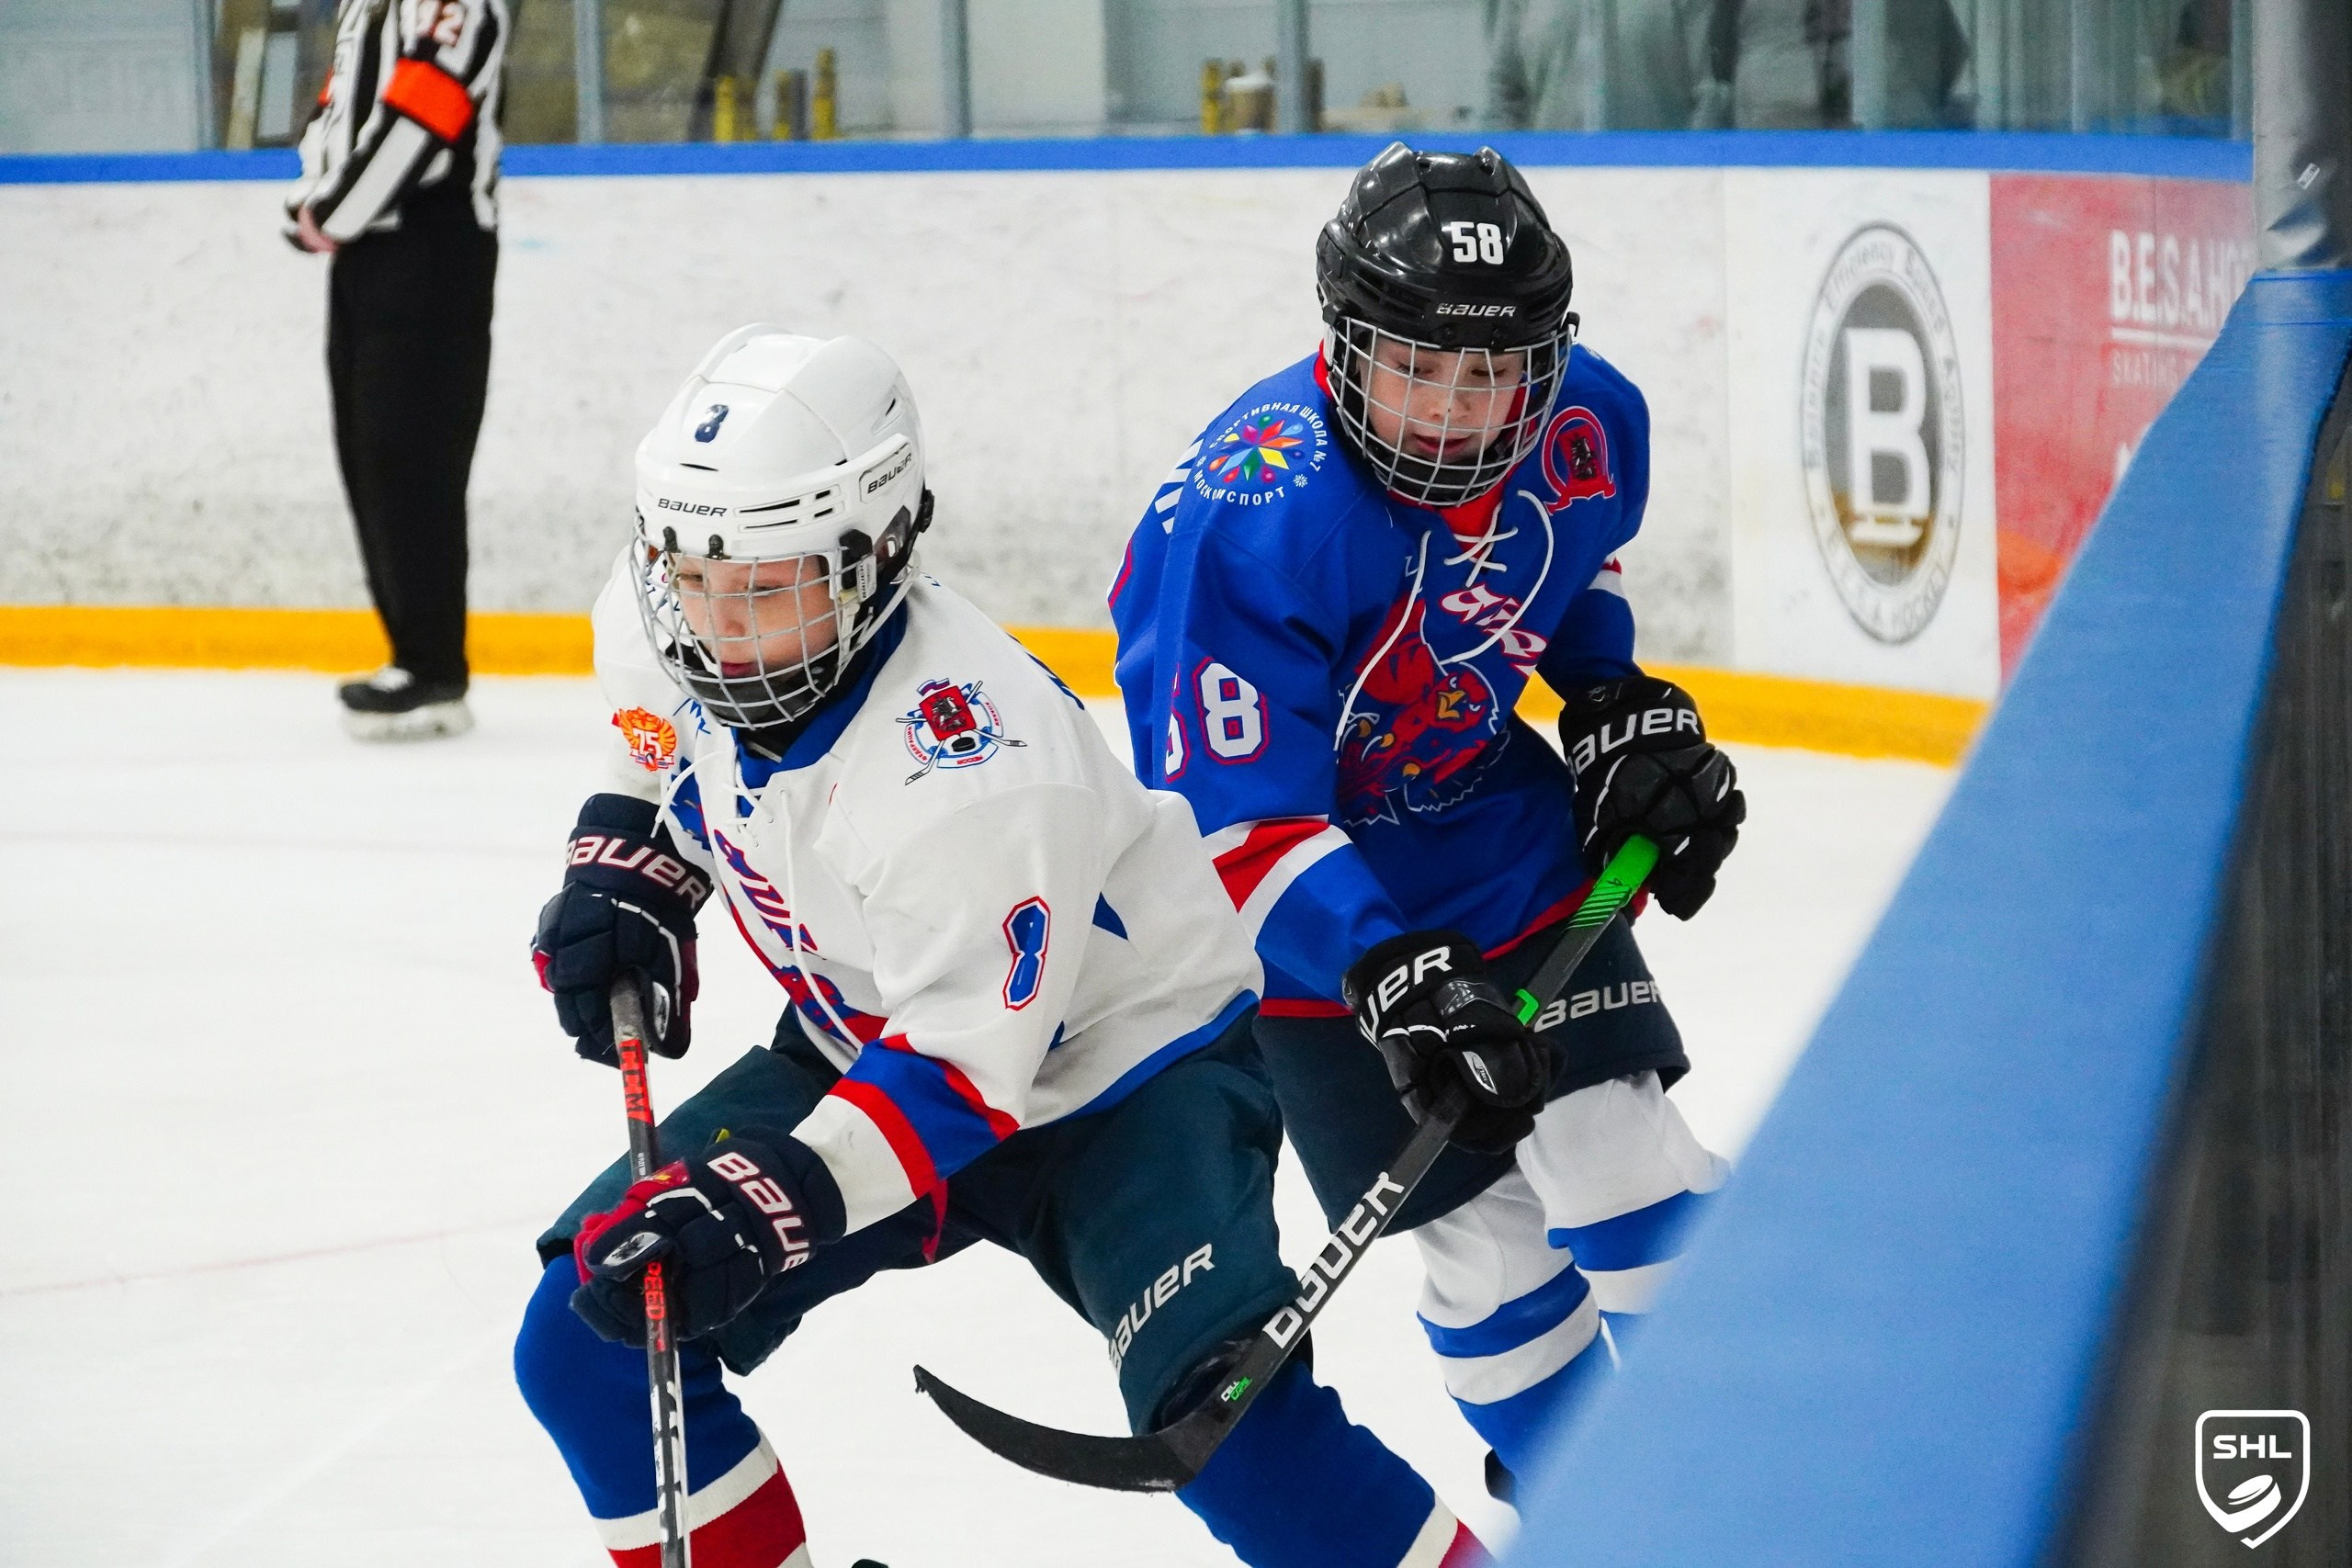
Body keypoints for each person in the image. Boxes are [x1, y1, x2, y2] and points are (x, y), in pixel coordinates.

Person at [514, 327, 1490, 1568]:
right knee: (593, 1336)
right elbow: (656, 741)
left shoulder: (971, 770)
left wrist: (766, 1204)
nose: (715, 628)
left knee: (1230, 1425)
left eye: (765, 588)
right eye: (691, 580)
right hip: (864, 1035)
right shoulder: (675, 608)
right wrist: (631, 860)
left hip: (1124, 1082)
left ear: (876, 554)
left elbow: (963, 1076)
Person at [1108, 143, 1747, 1499]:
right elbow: (1227, 818)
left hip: (1492, 837)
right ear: (1343, 342)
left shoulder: (1587, 416)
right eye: (1417, 366)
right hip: (1304, 923)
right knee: (1484, 1243)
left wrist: (1612, 699)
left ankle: (1743, 1463)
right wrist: (1387, 968)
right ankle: (1594, 1500)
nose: (1457, 410)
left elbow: (1571, 557)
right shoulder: (1248, 511)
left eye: (1489, 370)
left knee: (1619, 1151)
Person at [284, 0, 508, 740]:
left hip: (434, 249)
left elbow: (426, 110)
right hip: (362, 257)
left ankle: (435, 668)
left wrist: (331, 212)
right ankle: (413, 658)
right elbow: (335, 101)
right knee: (368, 454)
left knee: (412, 455)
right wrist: (306, 201)